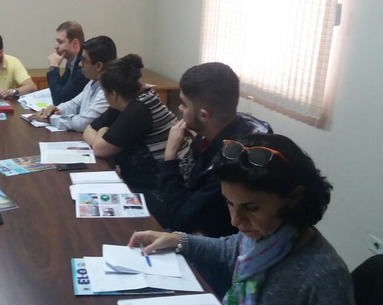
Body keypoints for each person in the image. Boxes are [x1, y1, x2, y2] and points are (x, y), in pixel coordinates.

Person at [129, 134, 368, 305]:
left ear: (293, 198)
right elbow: (227, 249)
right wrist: (177, 240)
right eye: (229, 203)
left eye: (251, 208)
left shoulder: (324, 273)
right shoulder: (267, 237)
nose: (235, 220)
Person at [158, 62, 272, 236]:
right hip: (199, 221)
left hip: (218, 243)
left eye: (184, 104)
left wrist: (170, 157)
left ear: (204, 115)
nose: (180, 109)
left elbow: (179, 221)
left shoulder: (232, 163)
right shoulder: (233, 124)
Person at [83, 54, 176, 209]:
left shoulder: (138, 109)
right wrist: (101, 137)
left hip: (161, 188)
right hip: (146, 178)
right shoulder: (127, 99)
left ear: (113, 94)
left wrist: (103, 132)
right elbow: (89, 129)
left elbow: (99, 149)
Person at [28, 35, 116, 132]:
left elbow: (84, 123)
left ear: (99, 66)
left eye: (84, 60)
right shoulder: (93, 81)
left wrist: (50, 118)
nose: (79, 64)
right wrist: (57, 109)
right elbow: (74, 104)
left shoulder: (108, 91)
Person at [46, 21, 89, 104]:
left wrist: (53, 68)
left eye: (60, 42)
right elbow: (61, 88)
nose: (55, 46)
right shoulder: (71, 61)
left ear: (75, 43)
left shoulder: (83, 66)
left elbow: (59, 100)